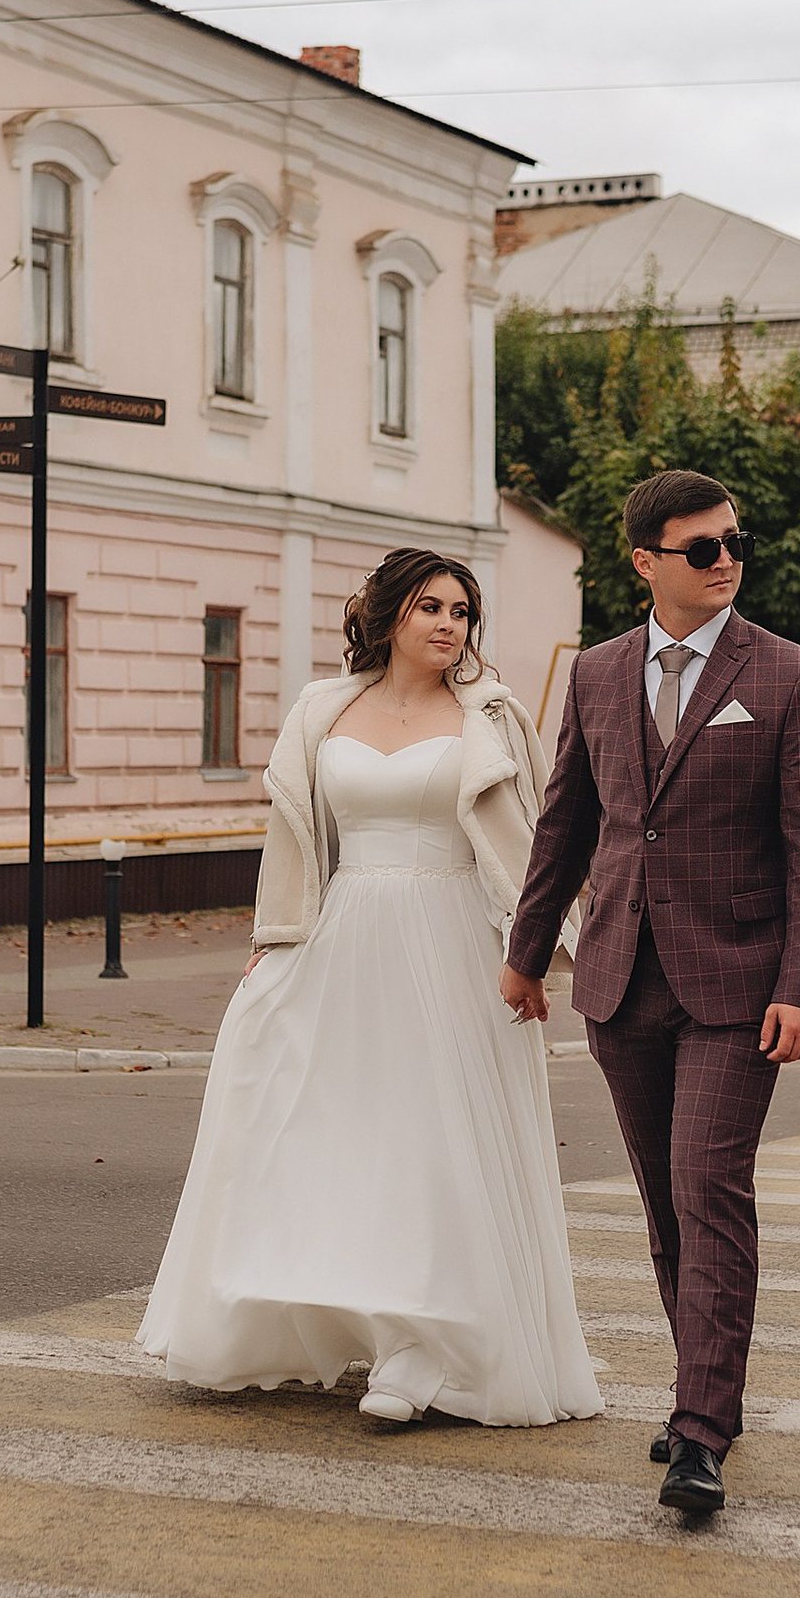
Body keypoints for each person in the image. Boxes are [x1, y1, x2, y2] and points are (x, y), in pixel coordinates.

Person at [138, 548, 601, 1431]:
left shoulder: (491, 717)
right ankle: (316, 1312)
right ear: (389, 614)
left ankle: (423, 1350)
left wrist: (532, 954)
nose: (447, 625)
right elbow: (300, 841)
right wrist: (272, 943)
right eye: (430, 607)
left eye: (462, 612)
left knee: (435, 1147)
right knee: (320, 1130)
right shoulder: (322, 710)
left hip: (455, 944)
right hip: (341, 940)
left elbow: (539, 848)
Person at [501, 469, 800, 1523]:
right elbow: (567, 821)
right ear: (646, 561)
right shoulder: (601, 675)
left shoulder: (791, 676)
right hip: (619, 980)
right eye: (700, 547)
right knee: (664, 1208)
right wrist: (526, 954)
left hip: (738, 987)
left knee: (709, 1190)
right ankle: (700, 1385)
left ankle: (702, 1428)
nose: (725, 559)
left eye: (734, 541)